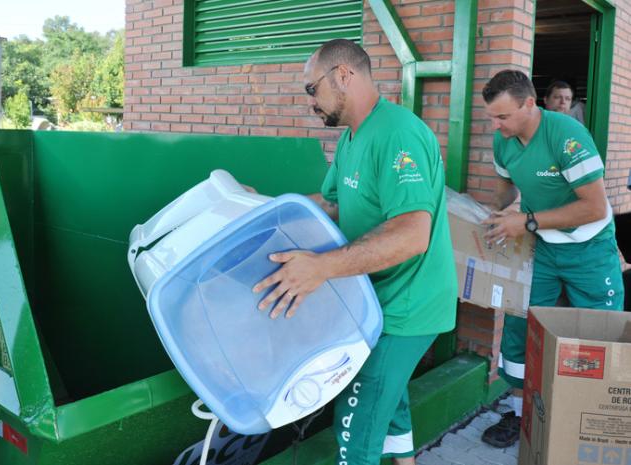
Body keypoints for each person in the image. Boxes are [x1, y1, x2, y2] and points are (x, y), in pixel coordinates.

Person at [252, 39, 457, 465]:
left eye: (312, 89)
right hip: (376, 299)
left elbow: (412, 235)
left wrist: (322, 268)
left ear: (343, 75)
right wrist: (264, 210)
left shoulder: (398, 133)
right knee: (391, 405)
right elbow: (330, 202)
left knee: (356, 419)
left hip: (408, 306)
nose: (310, 101)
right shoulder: (351, 139)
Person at [480, 69, 625, 448]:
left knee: (599, 334)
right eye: (492, 117)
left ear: (530, 104)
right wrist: (480, 217)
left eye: (503, 116)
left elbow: (593, 208)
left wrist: (525, 221)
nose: (496, 125)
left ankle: (593, 418)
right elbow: (504, 190)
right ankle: (518, 411)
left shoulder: (567, 135)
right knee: (520, 324)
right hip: (540, 246)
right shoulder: (504, 141)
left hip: (588, 248)